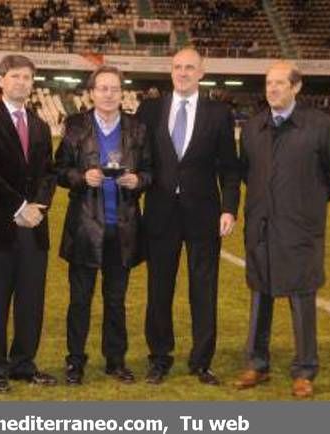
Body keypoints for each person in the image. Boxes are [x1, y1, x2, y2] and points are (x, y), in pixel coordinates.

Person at [234, 61, 330, 398]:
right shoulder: (254, 127)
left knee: (301, 299)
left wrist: (308, 204)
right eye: (268, 83)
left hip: (300, 232)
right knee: (260, 296)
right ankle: (256, 364)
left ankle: (304, 370)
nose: (272, 89)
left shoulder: (320, 126)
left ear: (296, 87)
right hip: (261, 229)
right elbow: (248, 174)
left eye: (280, 83)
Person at [136, 47, 241, 385]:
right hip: (160, 214)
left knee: (204, 290)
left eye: (190, 68)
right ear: (171, 71)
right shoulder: (150, 110)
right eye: (178, 67)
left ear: (201, 72)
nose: (183, 73)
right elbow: (137, 158)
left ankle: (201, 361)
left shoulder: (219, 113)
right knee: (159, 290)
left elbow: (230, 167)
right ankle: (159, 358)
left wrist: (229, 208)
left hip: (204, 215)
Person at [55, 66, 152, 385]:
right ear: (91, 93)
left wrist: (138, 180)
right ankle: (75, 362)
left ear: (121, 92)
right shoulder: (75, 127)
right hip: (85, 227)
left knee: (115, 301)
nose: (109, 94)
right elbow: (59, 170)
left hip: (122, 229)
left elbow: (151, 173)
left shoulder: (137, 129)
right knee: (80, 300)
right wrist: (81, 178)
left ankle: (115, 360)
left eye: (114, 88)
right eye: (103, 88)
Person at [0, 54, 57, 393]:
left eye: (28, 77)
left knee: (31, 300)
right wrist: (19, 206)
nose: (22, 82)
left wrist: (39, 208)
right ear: (1, 80)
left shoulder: (40, 124)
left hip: (34, 226)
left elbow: (48, 173)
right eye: (15, 76)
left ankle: (23, 364)